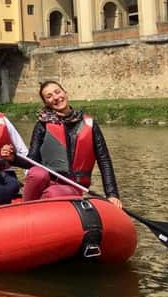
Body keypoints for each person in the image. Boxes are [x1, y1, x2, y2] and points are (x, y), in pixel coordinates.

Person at [22, 80, 122, 208]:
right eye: (49, 96)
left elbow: (104, 160)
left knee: (54, 193)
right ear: (46, 103)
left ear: (65, 93)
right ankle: (26, 210)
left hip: (72, 186)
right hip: (47, 181)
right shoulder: (42, 125)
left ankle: (38, 207)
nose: (56, 97)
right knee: (36, 173)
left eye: (57, 92)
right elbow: (32, 161)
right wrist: (13, 158)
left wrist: (112, 194)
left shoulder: (90, 125)